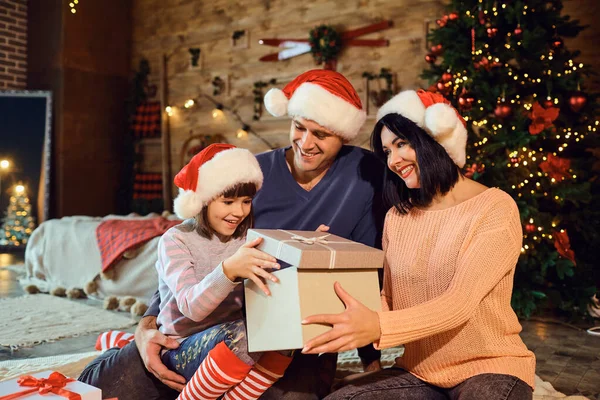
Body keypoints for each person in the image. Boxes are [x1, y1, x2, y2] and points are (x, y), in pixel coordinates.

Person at [78, 69, 385, 400]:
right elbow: (190, 258)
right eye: (299, 127)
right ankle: (125, 349)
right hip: (219, 325)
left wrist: (372, 361)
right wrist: (146, 326)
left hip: (299, 333)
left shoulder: (363, 176)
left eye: (321, 135)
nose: (305, 143)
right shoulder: (251, 176)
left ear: (343, 135)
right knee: (107, 386)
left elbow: (365, 270)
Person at [301, 89, 536, 399]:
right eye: (386, 151)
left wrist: (379, 326)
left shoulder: (494, 208)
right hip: (419, 372)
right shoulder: (397, 218)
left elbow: (458, 305)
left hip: (491, 367)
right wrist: (328, 295)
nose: (394, 160)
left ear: (433, 141)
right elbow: (389, 298)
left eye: (402, 144)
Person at [155, 143, 295, 400]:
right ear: (204, 200)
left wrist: (308, 249)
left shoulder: (245, 239)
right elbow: (192, 308)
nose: (238, 212)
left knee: (286, 334)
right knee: (241, 336)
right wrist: (229, 270)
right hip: (181, 346)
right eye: (227, 201)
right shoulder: (175, 240)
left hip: (230, 347)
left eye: (246, 201)